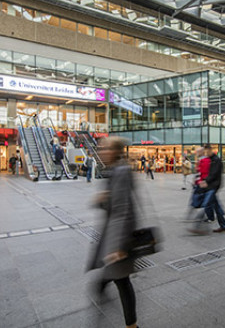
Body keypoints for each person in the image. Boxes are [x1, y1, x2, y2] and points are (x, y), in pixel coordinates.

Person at [87, 137, 139, 328]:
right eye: (100, 149)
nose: (102, 152)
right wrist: (101, 200)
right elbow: (115, 204)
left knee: (122, 280)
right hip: (113, 234)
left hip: (118, 237)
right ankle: (101, 286)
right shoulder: (113, 171)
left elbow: (122, 209)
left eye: (106, 149)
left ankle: (132, 325)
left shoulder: (121, 172)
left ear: (116, 152)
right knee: (117, 275)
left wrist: (118, 246)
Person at [189, 145, 225, 234]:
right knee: (216, 207)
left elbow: (213, 174)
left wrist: (205, 181)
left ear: (210, 150)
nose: (206, 153)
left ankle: (198, 227)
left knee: (206, 204)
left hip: (213, 186)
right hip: (210, 186)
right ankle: (223, 226)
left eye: (206, 151)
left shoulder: (216, 160)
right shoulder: (210, 159)